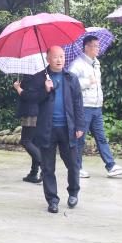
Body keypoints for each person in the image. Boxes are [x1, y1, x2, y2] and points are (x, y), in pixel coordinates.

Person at [21, 46, 85, 213]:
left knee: (73, 164)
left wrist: (80, 125)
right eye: (55, 57)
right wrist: (46, 90)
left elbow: (78, 102)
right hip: (47, 128)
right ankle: (52, 200)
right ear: (48, 59)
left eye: (61, 56)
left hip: (68, 128)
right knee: (48, 167)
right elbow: (30, 98)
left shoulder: (71, 78)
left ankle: (73, 192)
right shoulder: (39, 78)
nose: (59, 60)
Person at [68, 35, 122, 179]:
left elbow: (97, 84)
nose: (98, 49)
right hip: (83, 107)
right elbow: (69, 84)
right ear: (86, 47)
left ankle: (111, 166)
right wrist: (87, 82)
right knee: (80, 139)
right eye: (95, 46)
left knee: (102, 138)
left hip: (96, 107)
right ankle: (77, 168)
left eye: (98, 46)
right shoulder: (77, 64)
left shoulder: (96, 63)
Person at [13, 78, 42, 183]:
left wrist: (18, 88)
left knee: (26, 141)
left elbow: (30, 96)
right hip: (39, 112)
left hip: (31, 113)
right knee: (34, 143)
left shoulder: (32, 77)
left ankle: (43, 165)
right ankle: (33, 173)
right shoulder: (42, 75)